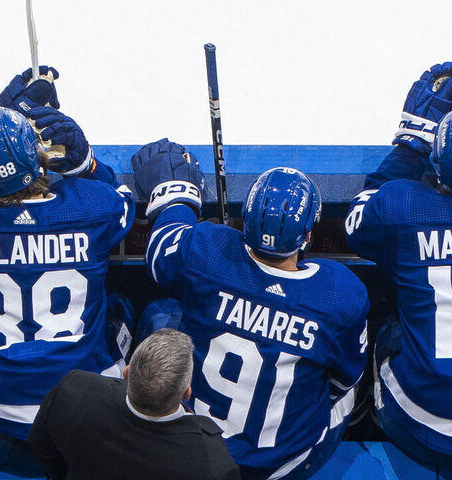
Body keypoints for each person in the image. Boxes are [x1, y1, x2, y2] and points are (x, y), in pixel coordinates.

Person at [0, 67, 135, 474]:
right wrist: (83, 162)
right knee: (119, 309)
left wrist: (2, 127)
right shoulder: (92, 206)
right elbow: (120, 199)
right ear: (40, 157)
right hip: (82, 426)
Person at [132, 140, 369, 480]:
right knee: (344, 381)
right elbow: (344, 380)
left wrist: (178, 196)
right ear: (307, 237)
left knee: (161, 312)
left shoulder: (208, 251)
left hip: (197, 450)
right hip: (282, 464)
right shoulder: (340, 293)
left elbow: (160, 251)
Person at [346, 62, 452, 470]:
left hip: (419, 422)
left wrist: (411, 143)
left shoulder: (403, 206)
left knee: (388, 327)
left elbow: (359, 221)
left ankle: (361, 411)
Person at [29, 328, 241, 480]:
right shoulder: (212, 463)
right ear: (187, 392)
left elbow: (42, 445)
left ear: (127, 373)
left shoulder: (75, 391)